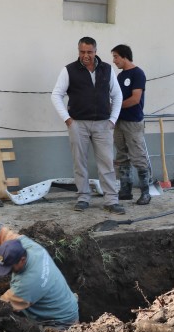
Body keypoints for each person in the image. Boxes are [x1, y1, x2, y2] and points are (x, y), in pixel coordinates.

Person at [0, 202, 79, 329]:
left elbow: (0, 307)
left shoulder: (29, 282)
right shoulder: (25, 245)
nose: (8, 271)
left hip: (60, 322)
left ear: (22, 260)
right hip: (61, 302)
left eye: (10, 267)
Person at [51, 37, 125, 214]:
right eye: (82, 52)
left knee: (107, 162)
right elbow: (56, 95)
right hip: (78, 124)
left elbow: (117, 95)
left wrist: (113, 120)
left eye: (89, 52)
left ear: (95, 51)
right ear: (78, 51)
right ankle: (83, 197)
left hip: (103, 124)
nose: (85, 56)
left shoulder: (107, 69)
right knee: (80, 162)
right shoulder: (69, 70)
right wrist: (68, 120)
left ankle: (111, 200)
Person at [111, 44, 153, 205]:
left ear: (124, 56)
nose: (114, 61)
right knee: (121, 156)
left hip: (133, 122)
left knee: (138, 156)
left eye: (116, 56)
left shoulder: (138, 73)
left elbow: (135, 99)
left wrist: (115, 106)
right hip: (119, 121)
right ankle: (125, 190)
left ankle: (145, 193)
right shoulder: (120, 76)